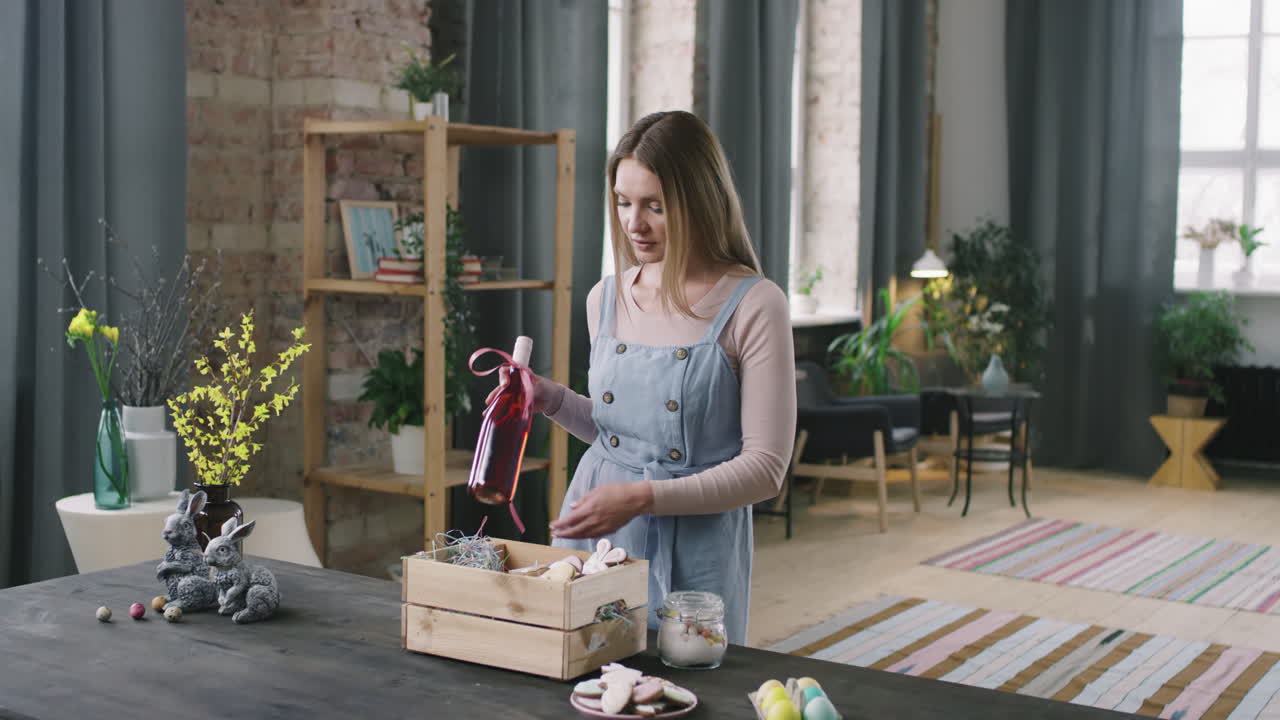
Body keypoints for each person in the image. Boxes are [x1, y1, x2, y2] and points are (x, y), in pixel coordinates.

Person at [493, 111, 796, 644]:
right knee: (583, 678)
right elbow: (621, 435)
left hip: (697, 550)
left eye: (656, 206)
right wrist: (554, 399)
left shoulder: (754, 304)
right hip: (600, 533)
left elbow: (766, 470)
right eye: (623, 202)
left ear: (701, 201)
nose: (635, 224)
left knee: (685, 688)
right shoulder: (604, 298)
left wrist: (643, 497)